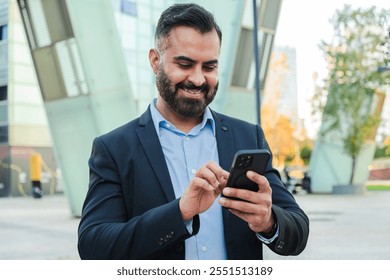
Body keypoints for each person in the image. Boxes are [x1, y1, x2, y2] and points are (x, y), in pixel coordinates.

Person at [78, 3, 309, 260]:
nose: (198, 79)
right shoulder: (114, 148)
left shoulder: (248, 136)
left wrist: (269, 221)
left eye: (209, 67)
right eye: (185, 64)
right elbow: (93, 246)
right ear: (156, 61)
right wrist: (179, 213)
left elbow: (298, 230)